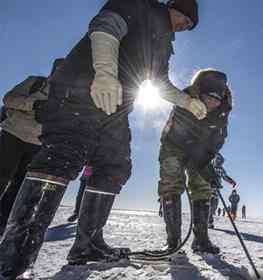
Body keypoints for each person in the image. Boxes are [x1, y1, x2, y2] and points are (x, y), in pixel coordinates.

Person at [0, 0, 202, 277]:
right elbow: (105, 26)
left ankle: (87, 245)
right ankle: (15, 257)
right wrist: (105, 73)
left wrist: (187, 102)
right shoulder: (140, 7)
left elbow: (159, 83)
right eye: (186, 19)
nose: (185, 26)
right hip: (81, 91)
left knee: (116, 165)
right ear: (174, 6)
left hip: (115, 109)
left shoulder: (164, 43)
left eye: (189, 26)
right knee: (61, 159)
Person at [158, 69, 233, 254]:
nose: (212, 103)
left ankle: (201, 240)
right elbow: (181, 133)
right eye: (209, 97)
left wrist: (207, 163)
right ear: (200, 92)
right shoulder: (186, 99)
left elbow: (218, 139)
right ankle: (173, 241)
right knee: (171, 183)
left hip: (201, 151)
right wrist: (198, 158)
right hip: (174, 145)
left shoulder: (222, 111)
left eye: (217, 99)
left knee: (202, 186)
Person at [0, 59, 64, 236]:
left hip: (38, 145)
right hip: (12, 136)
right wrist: (34, 104)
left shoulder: (67, 96)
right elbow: (9, 99)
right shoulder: (36, 82)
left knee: (19, 187)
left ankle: (2, 224)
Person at [208, 153, 236, 228]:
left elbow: (224, 176)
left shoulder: (220, 169)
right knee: (209, 205)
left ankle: (208, 218)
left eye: (221, 162)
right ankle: (209, 222)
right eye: (218, 161)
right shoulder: (209, 167)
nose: (220, 163)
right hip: (208, 189)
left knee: (214, 206)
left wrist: (231, 181)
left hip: (216, 190)